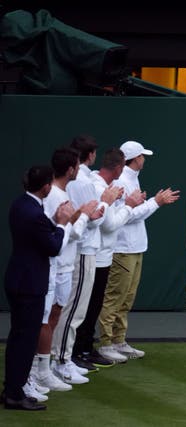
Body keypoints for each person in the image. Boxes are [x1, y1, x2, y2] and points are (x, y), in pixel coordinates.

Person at [97, 140, 180, 361]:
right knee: (114, 297)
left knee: (127, 298)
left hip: (135, 246)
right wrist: (156, 202)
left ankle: (118, 340)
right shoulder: (122, 181)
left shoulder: (132, 178)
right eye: (142, 156)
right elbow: (126, 215)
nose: (145, 159)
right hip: (122, 248)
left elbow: (133, 211)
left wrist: (150, 202)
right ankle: (105, 344)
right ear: (135, 159)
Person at [2, 165, 72, 410]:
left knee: (18, 337)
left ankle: (12, 388)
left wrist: (53, 221)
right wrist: (62, 223)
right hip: (29, 285)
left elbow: (38, 233)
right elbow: (53, 247)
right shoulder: (32, 213)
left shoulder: (21, 205)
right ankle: (14, 393)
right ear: (45, 187)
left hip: (19, 280)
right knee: (25, 339)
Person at [31, 147, 100, 395]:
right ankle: (37, 372)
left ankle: (43, 369)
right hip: (56, 266)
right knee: (44, 321)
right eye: (77, 167)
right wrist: (85, 216)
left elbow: (66, 227)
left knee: (53, 316)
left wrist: (81, 215)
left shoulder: (60, 193)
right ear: (72, 169)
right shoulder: (55, 196)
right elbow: (67, 233)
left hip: (62, 266)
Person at [73, 148, 145, 368]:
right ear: (118, 167)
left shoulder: (107, 186)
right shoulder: (98, 186)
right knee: (83, 309)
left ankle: (86, 349)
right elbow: (108, 223)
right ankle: (78, 353)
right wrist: (130, 206)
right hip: (94, 254)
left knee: (93, 307)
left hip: (101, 254)